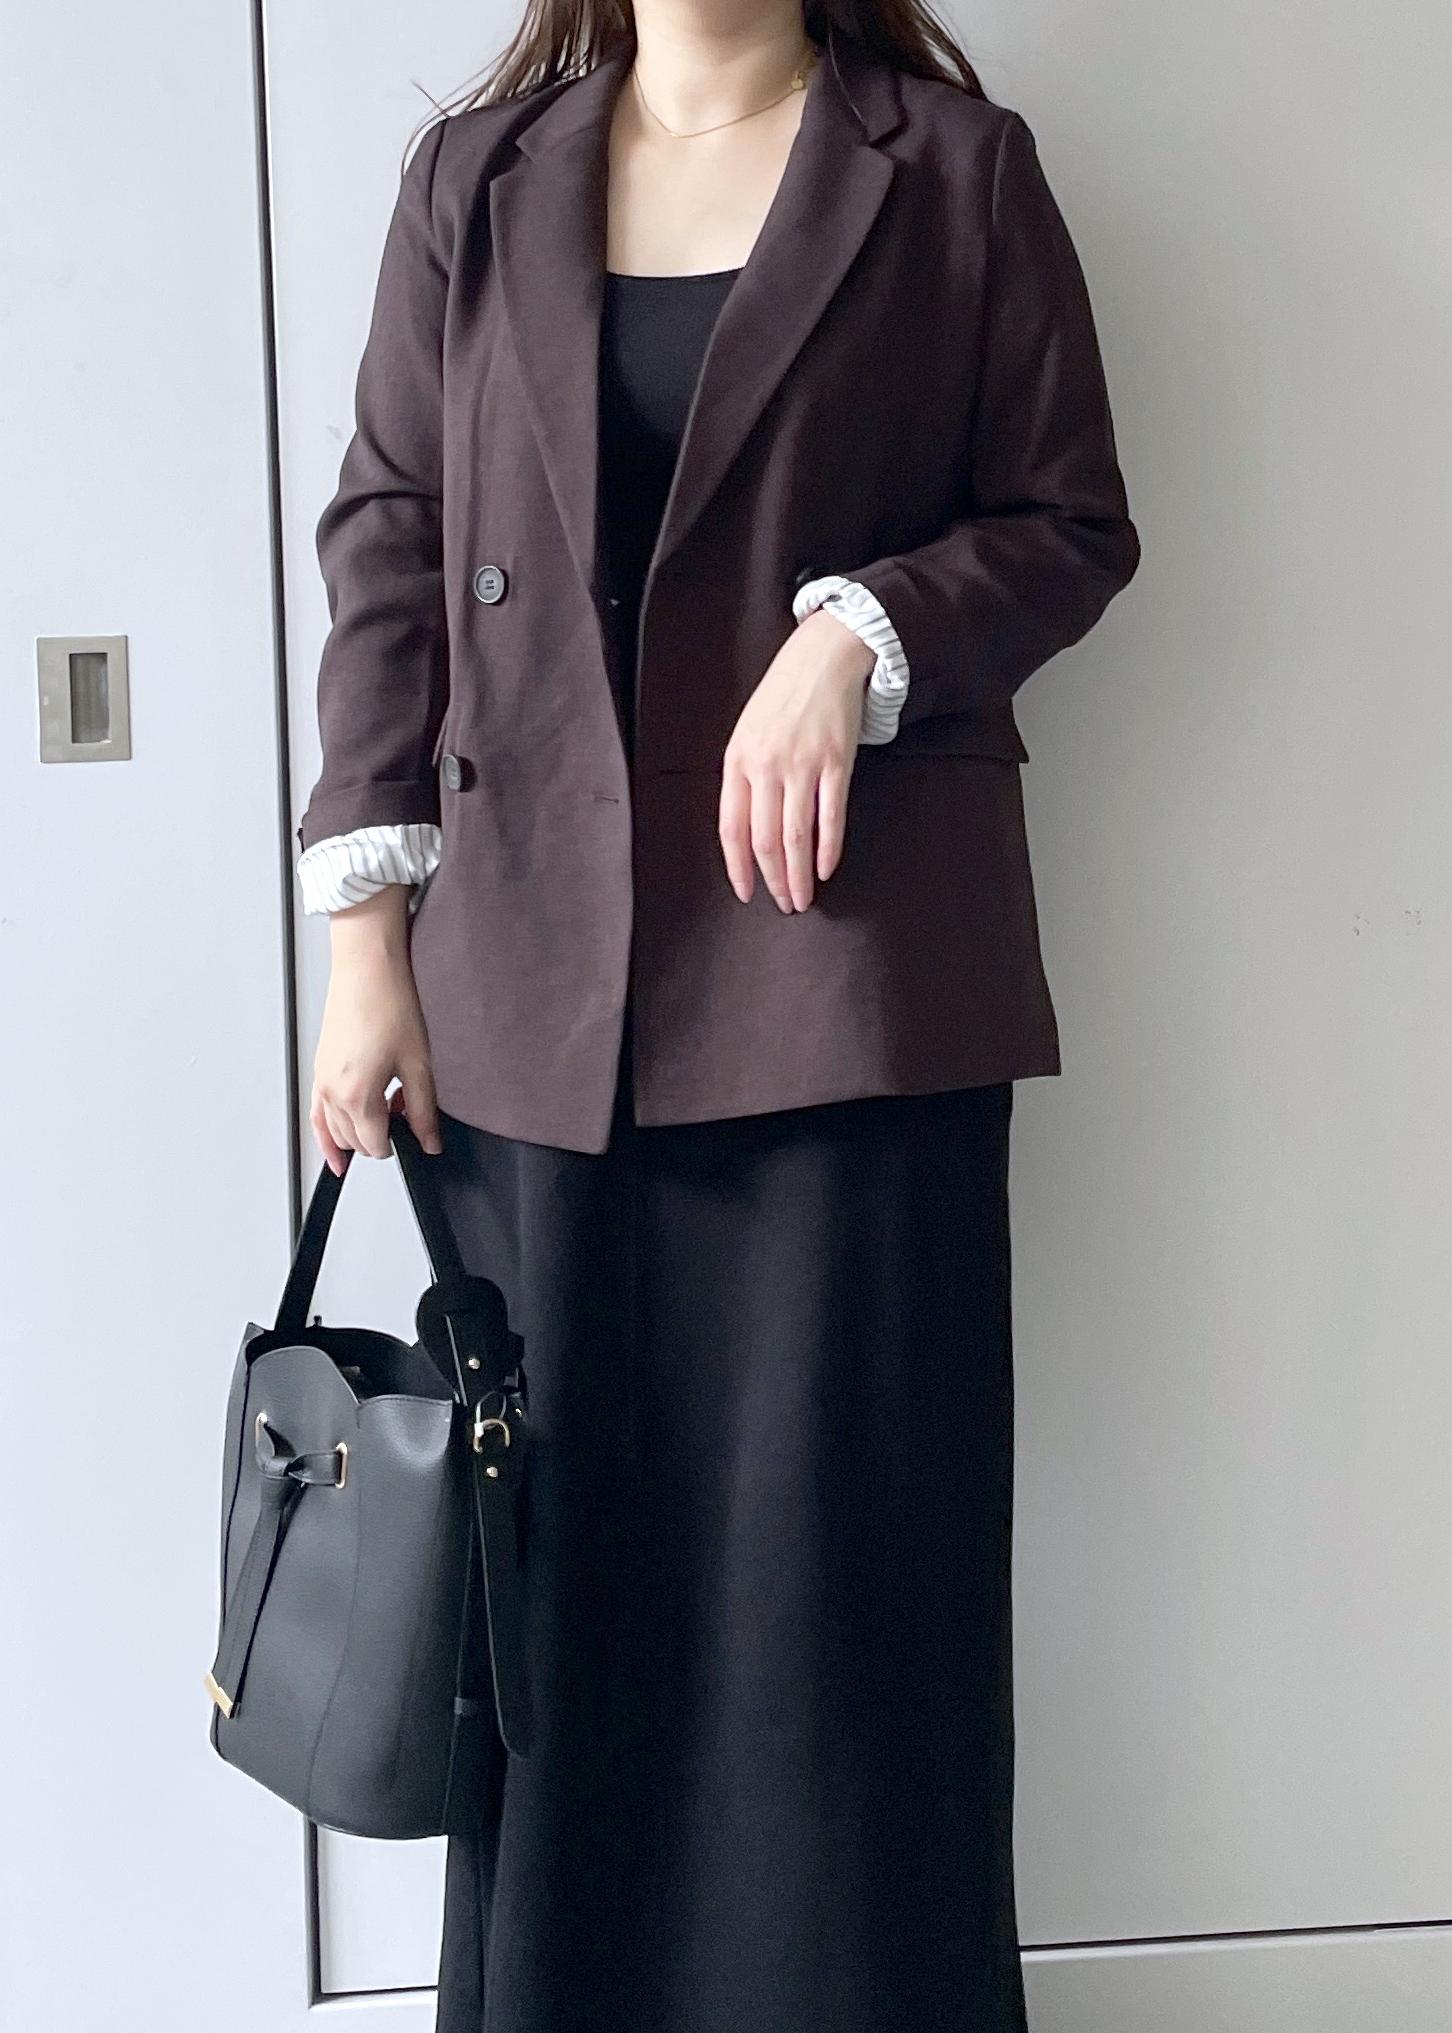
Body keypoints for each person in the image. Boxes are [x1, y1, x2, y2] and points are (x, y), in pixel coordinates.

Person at [295, 4, 1140, 2028]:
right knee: (560, 1615)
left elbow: (1069, 521)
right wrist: (363, 939)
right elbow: (391, 538)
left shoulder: (955, 172)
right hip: (530, 1015)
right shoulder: (474, 183)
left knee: (846, 1622)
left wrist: (862, 637)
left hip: (840, 1001)